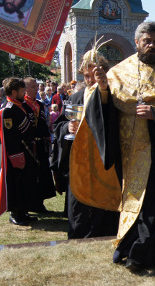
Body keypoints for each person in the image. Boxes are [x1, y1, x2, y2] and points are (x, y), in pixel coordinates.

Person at [86, 21, 155, 271]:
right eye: (147, 41)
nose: (152, 46)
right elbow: (103, 107)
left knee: (154, 202)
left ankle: (142, 252)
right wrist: (102, 88)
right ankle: (128, 244)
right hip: (130, 152)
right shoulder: (119, 71)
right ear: (137, 43)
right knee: (133, 200)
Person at [52, 49, 121, 239]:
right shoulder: (76, 97)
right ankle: (78, 237)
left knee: (104, 209)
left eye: (94, 75)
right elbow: (58, 125)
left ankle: (106, 236)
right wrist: (68, 127)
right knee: (79, 209)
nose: (90, 80)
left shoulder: (115, 95)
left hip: (105, 163)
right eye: (86, 76)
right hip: (80, 165)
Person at [0, 77, 40, 225]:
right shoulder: (8, 111)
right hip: (17, 152)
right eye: (22, 91)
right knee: (17, 183)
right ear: (14, 92)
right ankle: (15, 212)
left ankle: (24, 210)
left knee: (26, 182)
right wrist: (16, 157)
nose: (24, 93)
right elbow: (10, 137)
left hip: (28, 149)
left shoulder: (22, 106)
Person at [23, 77, 56, 212]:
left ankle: (40, 202)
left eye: (37, 86)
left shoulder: (40, 104)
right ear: (25, 89)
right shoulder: (22, 105)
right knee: (31, 174)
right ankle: (30, 202)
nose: (37, 89)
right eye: (33, 87)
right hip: (29, 145)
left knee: (42, 172)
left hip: (41, 142)